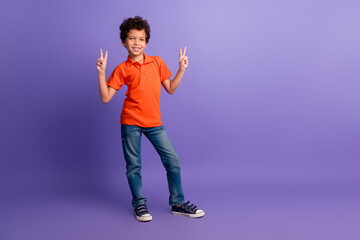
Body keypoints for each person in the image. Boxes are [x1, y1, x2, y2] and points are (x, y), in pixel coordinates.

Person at [96, 16, 205, 222]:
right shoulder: (122, 69)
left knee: (172, 160)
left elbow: (171, 89)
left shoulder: (157, 62)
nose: (137, 43)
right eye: (132, 38)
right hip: (130, 123)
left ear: (146, 42)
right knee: (134, 166)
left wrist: (181, 69)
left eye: (141, 39)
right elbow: (105, 97)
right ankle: (139, 205)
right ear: (123, 42)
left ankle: (178, 203)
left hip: (155, 123)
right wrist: (101, 73)